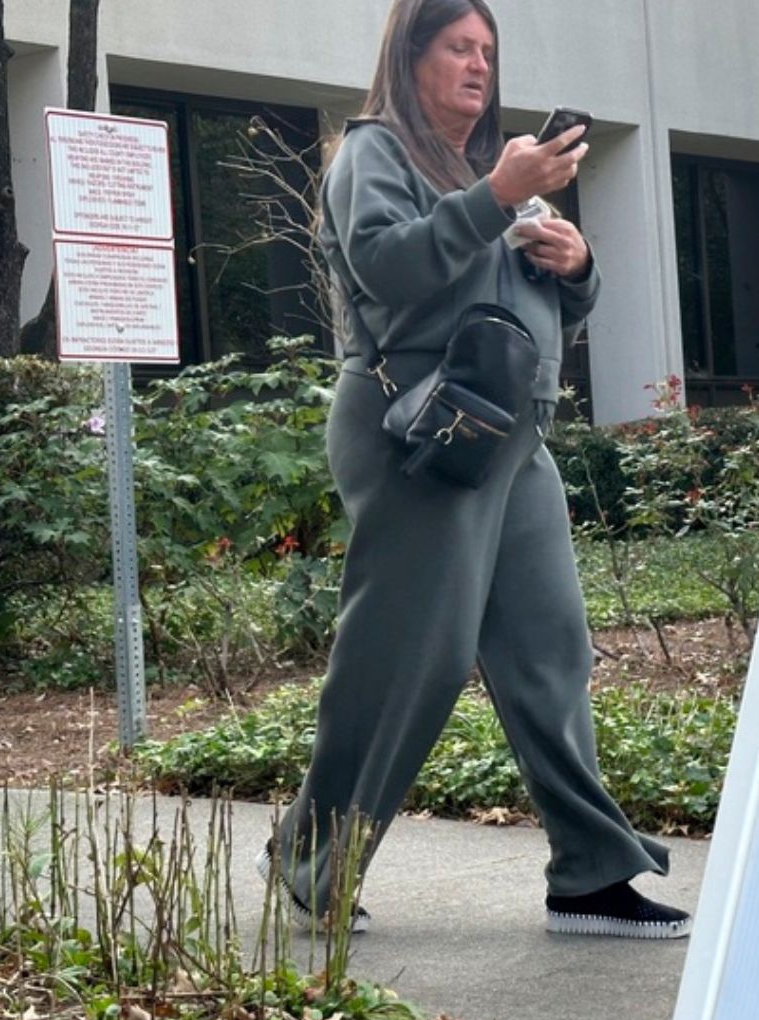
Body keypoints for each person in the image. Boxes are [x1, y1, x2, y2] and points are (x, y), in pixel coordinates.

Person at [261, 0, 690, 940]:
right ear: (410, 56)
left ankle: (591, 872)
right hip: (421, 432)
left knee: (550, 647)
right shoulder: (374, 154)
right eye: (458, 46)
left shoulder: (488, 174)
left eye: (488, 50)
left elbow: (549, 306)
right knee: (412, 655)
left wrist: (575, 264)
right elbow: (390, 268)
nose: (477, 65)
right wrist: (495, 199)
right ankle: (312, 858)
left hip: (511, 435)